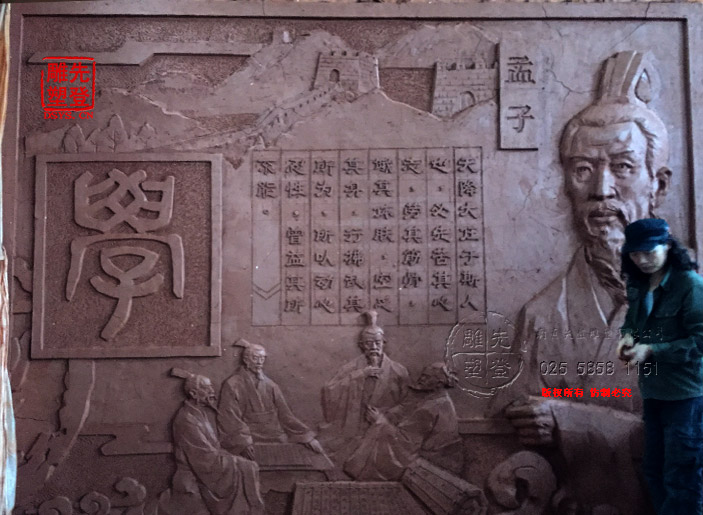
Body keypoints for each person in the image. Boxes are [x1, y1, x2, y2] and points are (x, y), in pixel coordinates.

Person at [494, 51, 671, 514]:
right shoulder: (540, 315)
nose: (601, 190)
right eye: (583, 170)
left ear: (658, 185)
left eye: (623, 167)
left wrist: (570, 420)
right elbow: (530, 451)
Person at [617, 218, 703, 514]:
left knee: (682, 477)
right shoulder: (639, 284)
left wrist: (653, 349)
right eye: (635, 254)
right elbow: (632, 321)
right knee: (653, 471)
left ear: (667, 246)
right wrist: (628, 337)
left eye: (649, 252)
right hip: (653, 392)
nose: (642, 260)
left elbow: (700, 341)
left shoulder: (690, 285)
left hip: (686, 396)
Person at [317, 310, 410, 466]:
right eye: (368, 343)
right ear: (361, 345)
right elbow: (330, 390)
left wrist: (382, 418)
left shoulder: (398, 371)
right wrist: (359, 375)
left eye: (377, 343)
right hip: (353, 428)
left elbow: (408, 404)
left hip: (384, 429)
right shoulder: (351, 368)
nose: (373, 347)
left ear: (384, 343)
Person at [165, 372, 265, 515]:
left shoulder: (199, 414)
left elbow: (213, 448)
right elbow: (205, 459)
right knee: (247, 467)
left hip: (206, 469)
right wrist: (238, 463)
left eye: (211, 387)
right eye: (207, 388)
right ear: (193, 393)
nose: (212, 391)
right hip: (196, 476)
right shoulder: (187, 419)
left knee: (247, 465)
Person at [343, 362, 463, 481]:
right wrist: (385, 415)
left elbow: (405, 442)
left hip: (430, 462)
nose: (421, 379)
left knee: (374, 438)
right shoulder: (438, 399)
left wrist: (379, 421)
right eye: (422, 375)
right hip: (440, 457)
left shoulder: (431, 407)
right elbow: (405, 411)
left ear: (439, 383)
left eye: (426, 377)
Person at [217, 341, 324, 460]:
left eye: (262, 358)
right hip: (250, 438)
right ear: (246, 360)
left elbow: (285, 415)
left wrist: (307, 437)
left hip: (275, 436)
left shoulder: (270, 385)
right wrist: (243, 442)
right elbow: (229, 418)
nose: (259, 362)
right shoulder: (232, 384)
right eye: (255, 358)